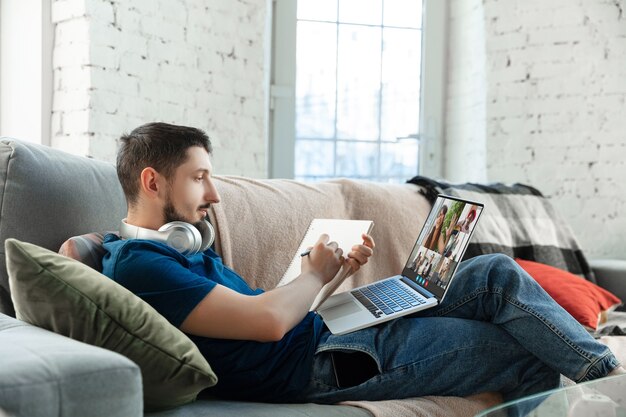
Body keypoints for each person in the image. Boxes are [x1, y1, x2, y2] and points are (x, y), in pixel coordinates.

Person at [101, 122, 624, 409]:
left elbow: (266, 311)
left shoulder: (184, 249)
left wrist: (330, 276)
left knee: (495, 274)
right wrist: (311, 273)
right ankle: (608, 383)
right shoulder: (141, 265)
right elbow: (266, 324)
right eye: (200, 178)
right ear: (152, 182)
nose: (214, 194)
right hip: (323, 363)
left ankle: (606, 373)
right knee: (525, 350)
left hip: (327, 331)